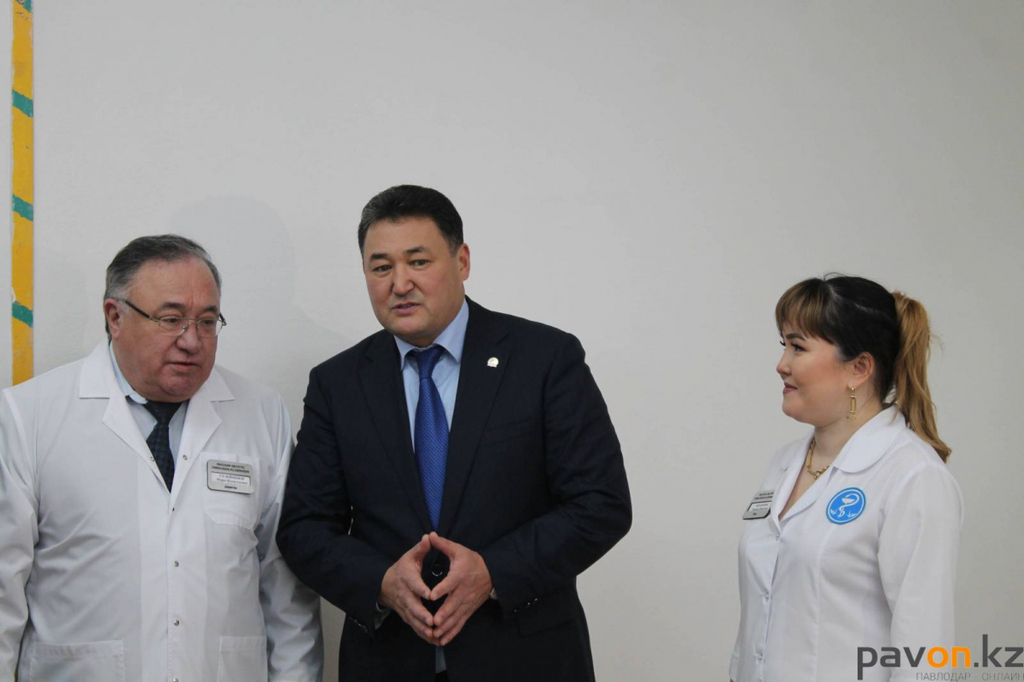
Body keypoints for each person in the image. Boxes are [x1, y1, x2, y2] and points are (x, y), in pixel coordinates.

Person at [276, 184, 632, 682]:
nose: (400, 283)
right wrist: (380, 582)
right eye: (381, 267)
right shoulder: (338, 384)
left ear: (461, 261)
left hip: (527, 661)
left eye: (418, 261)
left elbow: (601, 502)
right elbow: (305, 528)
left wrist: (494, 571)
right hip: (389, 663)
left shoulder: (544, 359)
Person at [0, 235, 323, 682]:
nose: (192, 341)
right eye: (171, 320)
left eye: (207, 322)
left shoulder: (261, 414)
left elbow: (287, 594)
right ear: (115, 317)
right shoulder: (29, 416)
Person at [730, 275, 963, 682]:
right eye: (783, 345)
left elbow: (926, 653)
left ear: (859, 368)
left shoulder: (912, 476)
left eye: (798, 347)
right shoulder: (784, 464)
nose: (782, 364)